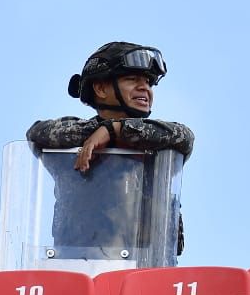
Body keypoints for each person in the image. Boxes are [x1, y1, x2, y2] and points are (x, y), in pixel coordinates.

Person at [27, 42, 194, 258]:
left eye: (149, 83)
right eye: (132, 79)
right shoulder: (74, 139)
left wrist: (115, 131)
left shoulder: (159, 142)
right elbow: (38, 134)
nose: (145, 88)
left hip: (147, 274)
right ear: (100, 88)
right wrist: (100, 131)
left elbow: (184, 136)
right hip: (79, 268)